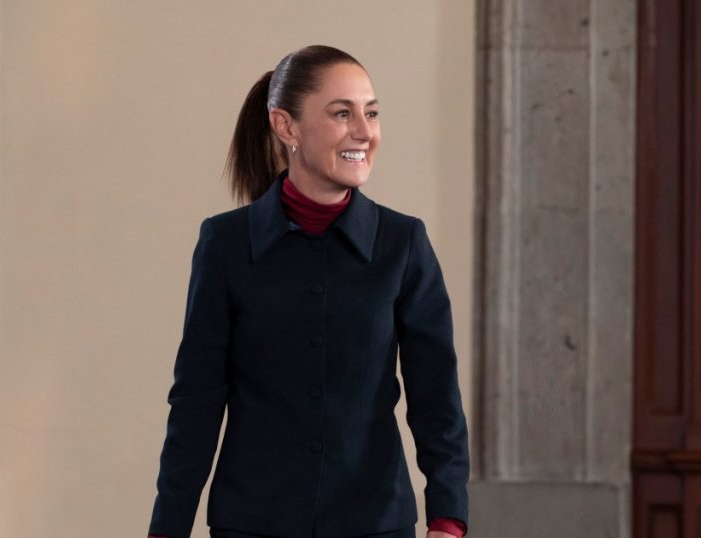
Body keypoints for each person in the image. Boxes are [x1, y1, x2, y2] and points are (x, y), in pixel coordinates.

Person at [147, 45, 470, 538]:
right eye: (342, 114)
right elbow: (197, 400)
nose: (364, 131)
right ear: (286, 127)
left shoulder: (403, 243)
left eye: (371, 113)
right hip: (252, 525)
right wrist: (167, 528)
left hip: (375, 523)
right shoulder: (226, 243)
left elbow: (436, 395)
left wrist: (447, 518)